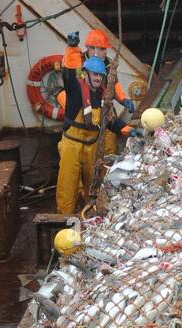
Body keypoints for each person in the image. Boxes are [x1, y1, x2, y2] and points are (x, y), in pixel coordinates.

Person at [55, 57, 132, 216]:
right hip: (72, 146)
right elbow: (68, 77)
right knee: (68, 185)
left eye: (100, 75)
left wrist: (129, 130)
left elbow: (111, 122)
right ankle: (64, 220)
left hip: (92, 146)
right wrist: (72, 49)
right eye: (94, 74)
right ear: (86, 74)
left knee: (94, 184)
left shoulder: (104, 96)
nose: (98, 78)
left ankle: (90, 217)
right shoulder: (75, 91)